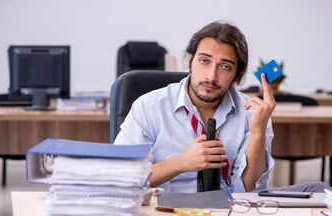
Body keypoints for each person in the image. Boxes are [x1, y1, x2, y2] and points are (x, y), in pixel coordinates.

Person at [114, 21, 327, 193]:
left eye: (225, 67)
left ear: (237, 75)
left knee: (319, 190)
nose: (211, 76)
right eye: (204, 61)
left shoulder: (252, 112)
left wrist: (257, 131)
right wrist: (182, 163)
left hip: (231, 212)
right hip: (169, 212)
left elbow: (249, 190)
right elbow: (123, 177)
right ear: (190, 61)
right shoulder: (148, 106)